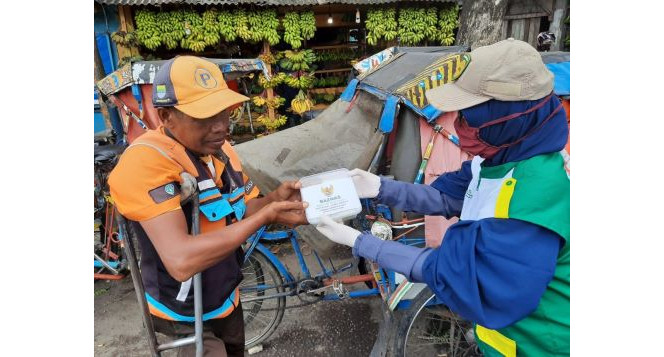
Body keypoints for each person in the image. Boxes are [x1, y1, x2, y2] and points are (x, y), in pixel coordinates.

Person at [315, 39, 570, 356]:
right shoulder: (498, 157)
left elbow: (456, 273)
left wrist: (362, 243)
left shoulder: (538, 193)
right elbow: (445, 198)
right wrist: (379, 187)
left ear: (508, 114)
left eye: (468, 114)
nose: (459, 124)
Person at [108, 56, 308, 357]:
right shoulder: (145, 162)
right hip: (185, 310)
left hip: (225, 295)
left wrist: (274, 201)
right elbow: (181, 260)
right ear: (165, 117)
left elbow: (240, 209)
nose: (221, 127)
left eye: (224, 112)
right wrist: (266, 215)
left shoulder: (222, 151)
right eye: (204, 117)